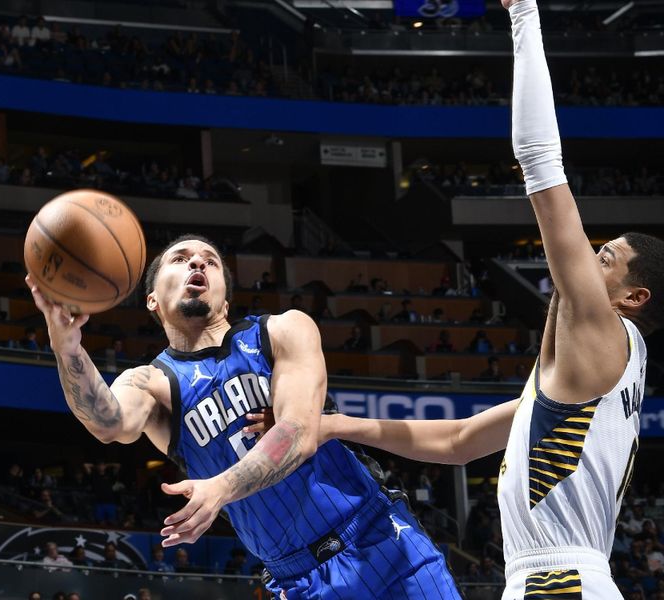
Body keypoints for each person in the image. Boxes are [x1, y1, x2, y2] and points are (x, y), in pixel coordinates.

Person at [264, 1, 663, 598]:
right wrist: (332, 424)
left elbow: (540, 163)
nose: (587, 258)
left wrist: (524, 16)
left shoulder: (603, 337)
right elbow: (456, 442)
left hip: (559, 583)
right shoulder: (586, 386)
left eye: (603, 258)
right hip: (561, 579)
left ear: (634, 296)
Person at [26, 234, 461, 599]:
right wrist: (67, 348)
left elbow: (298, 432)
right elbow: (107, 423)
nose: (198, 260)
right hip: (296, 580)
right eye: (181, 258)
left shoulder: (282, 331)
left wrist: (221, 488)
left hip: (377, 537)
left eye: (210, 261)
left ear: (225, 298)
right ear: (153, 300)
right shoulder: (152, 382)